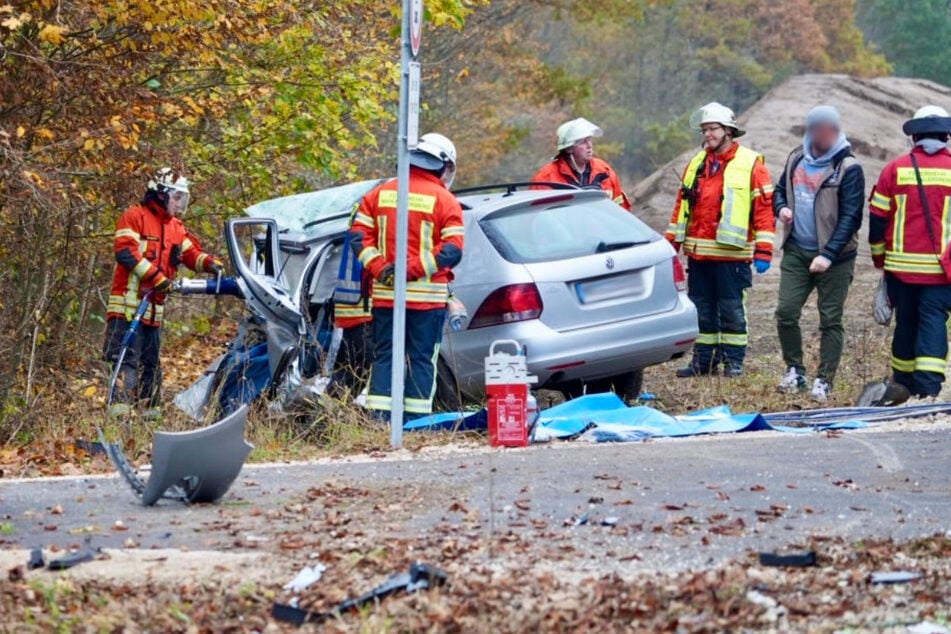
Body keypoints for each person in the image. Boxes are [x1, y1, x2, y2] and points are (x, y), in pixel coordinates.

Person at [349, 133, 465, 419]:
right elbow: (452, 251)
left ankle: (379, 420)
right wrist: (409, 271)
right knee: (422, 361)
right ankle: (417, 423)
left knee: (385, 357)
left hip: (387, 297)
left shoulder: (379, 193)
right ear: (444, 166)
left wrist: (382, 269)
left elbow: (357, 237)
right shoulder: (445, 200)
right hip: (427, 301)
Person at [103, 168, 224, 419]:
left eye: (183, 198)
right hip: (127, 307)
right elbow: (126, 252)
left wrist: (210, 263)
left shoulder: (176, 227)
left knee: (151, 364)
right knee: (126, 361)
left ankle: (149, 417)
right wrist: (157, 279)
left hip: (154, 311)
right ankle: (119, 420)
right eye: (177, 197)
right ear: (160, 193)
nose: (180, 203)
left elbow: (191, 254)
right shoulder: (134, 217)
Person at [666, 102, 775, 378]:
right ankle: (704, 362)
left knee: (731, 310)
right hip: (699, 255)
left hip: (732, 256)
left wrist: (763, 250)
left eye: (712, 129)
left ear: (728, 130)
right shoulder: (696, 163)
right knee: (701, 310)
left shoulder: (751, 163)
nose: (707, 135)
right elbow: (682, 206)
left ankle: (733, 361)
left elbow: (763, 208)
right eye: (704, 130)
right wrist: (672, 244)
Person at [773, 106, 865, 402]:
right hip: (797, 250)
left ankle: (824, 380)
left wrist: (828, 255)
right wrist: (781, 208)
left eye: (828, 130)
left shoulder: (849, 168)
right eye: (817, 129)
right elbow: (778, 190)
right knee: (785, 312)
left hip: (836, 259)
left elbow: (851, 218)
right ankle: (794, 371)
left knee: (830, 319)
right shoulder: (795, 158)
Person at [869, 105, 951, 399]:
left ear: (913, 136)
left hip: (901, 270)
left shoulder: (895, 169)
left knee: (906, 322)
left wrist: (880, 260)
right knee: (933, 322)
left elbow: (877, 219)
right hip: (942, 271)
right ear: (946, 135)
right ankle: (928, 390)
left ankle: (903, 383)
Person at [532, 117, 631, 210]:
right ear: (569, 148)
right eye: (583, 142)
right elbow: (536, 218)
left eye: (589, 140)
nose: (589, 145)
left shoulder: (604, 171)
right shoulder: (546, 179)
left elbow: (621, 210)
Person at [327, 205, 374, 399]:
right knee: (359, 369)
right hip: (362, 309)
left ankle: (324, 415)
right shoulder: (372, 216)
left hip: (355, 309)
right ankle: (322, 416)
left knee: (353, 370)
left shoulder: (363, 212)